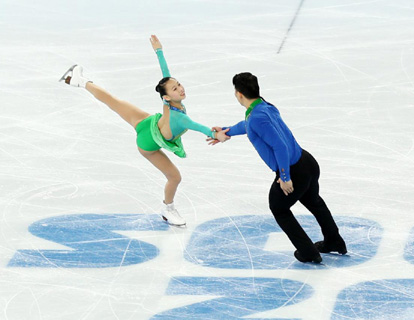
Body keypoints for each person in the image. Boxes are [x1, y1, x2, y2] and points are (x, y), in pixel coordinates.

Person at [59, 35, 222, 227]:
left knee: (114, 102)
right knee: (175, 177)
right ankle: (168, 208)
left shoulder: (168, 98)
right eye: (175, 88)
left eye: (179, 85)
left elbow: (166, 74)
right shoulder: (180, 117)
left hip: (147, 122)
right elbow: (199, 127)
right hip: (147, 144)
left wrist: (159, 51)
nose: (180, 89)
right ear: (167, 98)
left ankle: (79, 81)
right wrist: (215, 134)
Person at [210, 72, 346, 263]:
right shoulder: (264, 106)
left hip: (293, 170)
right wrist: (227, 131)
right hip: (307, 162)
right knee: (314, 201)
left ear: (239, 94)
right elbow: (249, 125)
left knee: (279, 207)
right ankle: (334, 241)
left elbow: (279, 146)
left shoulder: (257, 117)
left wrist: (285, 177)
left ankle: (308, 252)